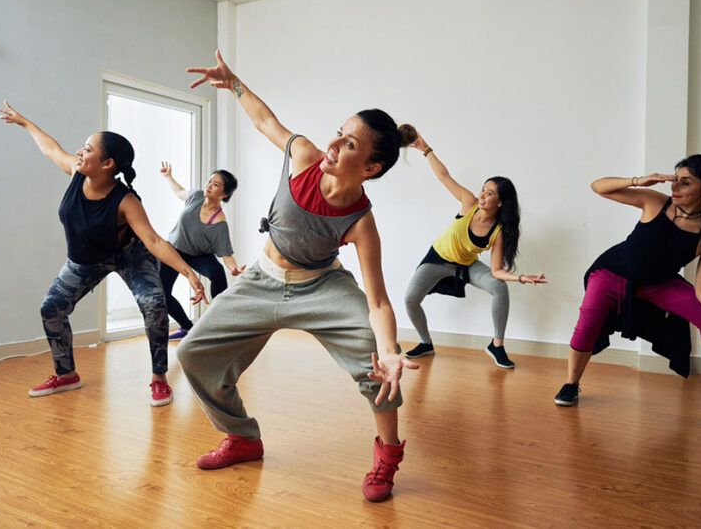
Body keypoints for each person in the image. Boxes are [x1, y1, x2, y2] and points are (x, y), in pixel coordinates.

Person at [176, 49, 419, 502]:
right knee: (193, 353)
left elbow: (378, 301)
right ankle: (243, 438)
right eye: (339, 134)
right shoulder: (305, 156)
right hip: (263, 278)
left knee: (378, 367)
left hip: (321, 286)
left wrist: (389, 349)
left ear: (370, 168)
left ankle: (388, 454)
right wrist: (233, 84)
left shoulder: (361, 220)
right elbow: (266, 122)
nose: (334, 145)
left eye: (349, 144)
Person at [0, 101, 207, 406]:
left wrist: (189, 273)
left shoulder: (125, 201)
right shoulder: (76, 174)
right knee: (51, 308)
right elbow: (51, 149)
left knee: (154, 304)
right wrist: (25, 122)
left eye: (87, 148)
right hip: (85, 260)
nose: (79, 152)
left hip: (129, 256)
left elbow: (153, 240)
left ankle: (159, 378)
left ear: (108, 164)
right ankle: (66, 374)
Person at [553, 155, 701, 430]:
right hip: (611, 273)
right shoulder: (655, 202)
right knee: (588, 323)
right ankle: (571, 384)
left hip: (659, 284)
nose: (675, 187)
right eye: (675, 180)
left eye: (685, 183)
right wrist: (638, 180)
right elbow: (598, 186)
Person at [402, 133, 547, 368]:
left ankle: (496, 346)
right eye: (483, 189)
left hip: (466, 266)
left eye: (489, 193)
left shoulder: (498, 231)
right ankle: (425, 343)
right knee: (410, 299)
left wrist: (520, 277)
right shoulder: (469, 203)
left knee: (499, 288)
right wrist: (426, 149)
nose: (482, 195)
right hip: (437, 259)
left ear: (500, 202)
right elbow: (444, 176)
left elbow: (497, 271)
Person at [158, 163, 244, 339]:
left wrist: (233, 268)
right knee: (161, 292)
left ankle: (219, 324)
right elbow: (180, 191)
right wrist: (168, 177)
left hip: (198, 255)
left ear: (224, 194)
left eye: (215, 184)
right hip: (173, 250)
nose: (209, 185)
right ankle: (188, 328)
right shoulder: (196, 196)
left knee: (218, 272)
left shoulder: (219, 222)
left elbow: (226, 254)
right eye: (209, 181)